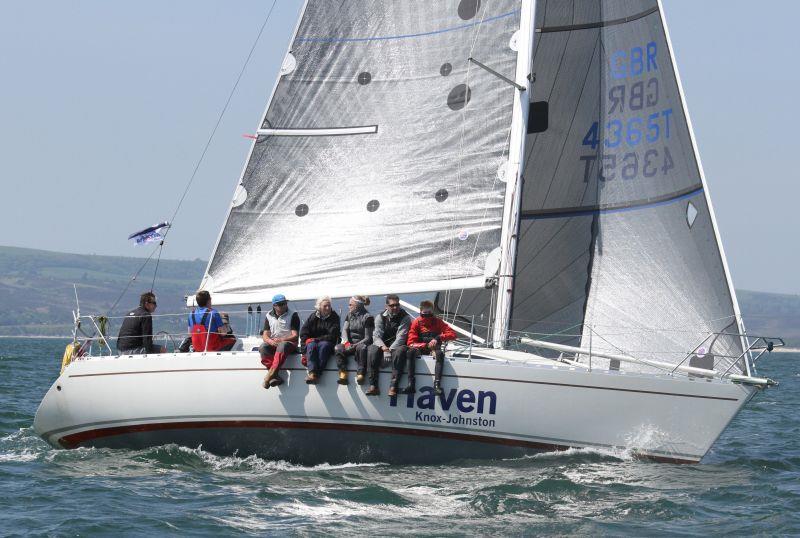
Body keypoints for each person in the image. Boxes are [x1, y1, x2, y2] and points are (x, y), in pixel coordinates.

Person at [407, 300, 456, 396]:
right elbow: (411, 342)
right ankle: (411, 384)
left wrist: (438, 338)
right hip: (420, 348)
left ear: (432, 312)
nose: (427, 316)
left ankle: (437, 385)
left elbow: (453, 334)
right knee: (410, 352)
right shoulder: (416, 322)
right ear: (420, 312)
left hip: (434, 349)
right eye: (425, 313)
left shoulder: (438, 322)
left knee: (440, 354)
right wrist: (425, 345)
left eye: (429, 313)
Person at [367, 294, 411, 397]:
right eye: (392, 305)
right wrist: (384, 349)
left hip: (397, 345)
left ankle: (393, 387)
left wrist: (389, 351)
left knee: (400, 352)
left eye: (397, 305)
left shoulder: (405, 317)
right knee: (372, 349)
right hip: (383, 345)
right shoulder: (380, 317)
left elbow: (401, 338)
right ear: (386, 306)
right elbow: (376, 336)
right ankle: (373, 385)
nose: (395, 307)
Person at [259, 294, 300, 389]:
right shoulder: (269, 315)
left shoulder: (293, 315)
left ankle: (268, 376)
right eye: (281, 304)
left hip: (289, 343)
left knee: (282, 345)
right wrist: (270, 341)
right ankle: (274, 376)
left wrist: (282, 339)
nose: (284, 305)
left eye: (285, 303)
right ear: (274, 305)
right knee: (263, 347)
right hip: (275, 343)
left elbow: (295, 335)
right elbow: (265, 335)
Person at [335, 296, 374, 389]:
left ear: (356, 305)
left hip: (361, 343)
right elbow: (344, 330)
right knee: (338, 348)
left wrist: (355, 345)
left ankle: (361, 374)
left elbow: (368, 338)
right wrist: (346, 342)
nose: (348, 306)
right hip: (349, 343)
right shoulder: (349, 315)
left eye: (350, 304)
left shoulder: (368, 317)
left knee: (362, 348)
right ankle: (343, 372)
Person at [299, 296, 341, 384]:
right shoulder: (313, 316)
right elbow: (304, 332)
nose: (328, 308)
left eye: (329, 306)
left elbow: (333, 334)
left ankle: (318, 373)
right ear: (319, 307)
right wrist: (303, 351)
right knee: (310, 345)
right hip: (314, 342)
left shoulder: (334, 317)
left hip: (328, 341)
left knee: (323, 346)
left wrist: (316, 339)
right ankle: (312, 373)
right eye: (325, 306)